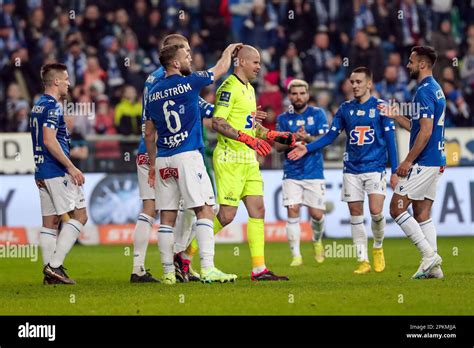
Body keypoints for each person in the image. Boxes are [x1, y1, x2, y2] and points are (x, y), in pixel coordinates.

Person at [144, 42, 242, 284]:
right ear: (175, 63)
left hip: (165, 157)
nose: (190, 58)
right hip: (187, 156)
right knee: (205, 210)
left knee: (166, 217)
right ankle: (208, 268)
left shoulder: (153, 92)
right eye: (186, 55)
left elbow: (148, 132)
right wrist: (228, 51)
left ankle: (168, 273)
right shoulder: (189, 82)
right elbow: (219, 69)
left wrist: (154, 163)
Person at [288, 67, 398, 275]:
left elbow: (391, 141)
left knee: (376, 212)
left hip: (375, 166)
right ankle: (362, 260)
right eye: (352, 82)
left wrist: (395, 170)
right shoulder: (345, 109)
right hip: (351, 169)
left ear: (369, 84)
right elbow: (330, 136)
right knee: (355, 214)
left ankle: (377, 247)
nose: (354, 85)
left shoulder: (381, 107)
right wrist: (307, 147)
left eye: (359, 82)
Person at [131, 34, 213, 283]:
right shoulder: (174, 79)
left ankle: (151, 267)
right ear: (173, 54)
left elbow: (148, 122)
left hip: (152, 150)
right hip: (166, 151)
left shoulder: (153, 80)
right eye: (185, 50)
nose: (189, 54)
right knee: (196, 206)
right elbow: (200, 106)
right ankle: (174, 260)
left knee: (158, 211)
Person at [211, 45, 295, 281]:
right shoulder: (228, 87)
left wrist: (273, 135)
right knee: (226, 216)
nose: (259, 66)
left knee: (258, 210)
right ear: (241, 62)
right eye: (255, 62)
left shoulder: (249, 89)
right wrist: (247, 139)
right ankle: (185, 255)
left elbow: (250, 126)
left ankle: (259, 269)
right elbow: (217, 122)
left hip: (248, 159)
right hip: (230, 159)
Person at [380, 46, 445, 279]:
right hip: (437, 160)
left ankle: (429, 256)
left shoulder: (424, 92)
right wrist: (397, 116)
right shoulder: (435, 89)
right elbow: (418, 128)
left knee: (396, 208)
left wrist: (407, 161)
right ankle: (434, 269)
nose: (407, 66)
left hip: (424, 162)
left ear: (422, 64)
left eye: (411, 61)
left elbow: (425, 133)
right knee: (422, 213)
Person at [30, 63, 88, 285]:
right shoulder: (53, 107)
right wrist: (71, 167)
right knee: (80, 216)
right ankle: (54, 267)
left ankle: (50, 276)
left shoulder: (37, 106)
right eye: (65, 79)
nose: (68, 83)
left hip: (43, 170)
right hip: (57, 170)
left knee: (50, 222)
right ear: (56, 82)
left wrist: (38, 169)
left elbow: (37, 141)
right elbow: (49, 140)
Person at [275, 79, 329, 266]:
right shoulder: (283, 118)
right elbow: (277, 147)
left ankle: (317, 240)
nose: (298, 97)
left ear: (307, 95)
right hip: (292, 172)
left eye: (301, 93)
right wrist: (291, 138)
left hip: (314, 172)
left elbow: (326, 139)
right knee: (293, 210)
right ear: (289, 96)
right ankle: (296, 256)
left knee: (316, 214)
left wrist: (307, 138)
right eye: (294, 93)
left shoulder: (318, 113)